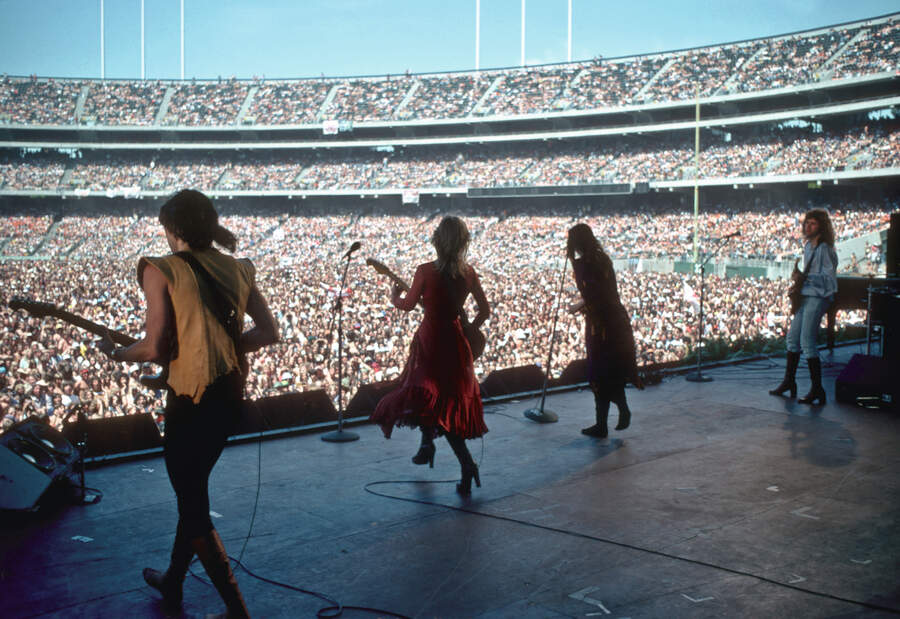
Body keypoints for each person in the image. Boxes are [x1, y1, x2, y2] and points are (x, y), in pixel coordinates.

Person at [97, 189, 279, 617]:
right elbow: (267, 332)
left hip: (190, 401)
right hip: (229, 394)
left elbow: (156, 346)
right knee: (192, 490)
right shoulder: (239, 268)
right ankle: (174, 580)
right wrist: (218, 349)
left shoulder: (162, 269)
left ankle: (237, 609)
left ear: (174, 230)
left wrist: (115, 351)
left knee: (192, 501)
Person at [370, 216, 490, 495]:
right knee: (445, 401)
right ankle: (433, 448)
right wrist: (470, 328)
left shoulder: (425, 271)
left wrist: (393, 298)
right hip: (456, 343)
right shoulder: (469, 273)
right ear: (462, 243)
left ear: (437, 241)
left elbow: (409, 305)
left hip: (430, 343)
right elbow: (485, 311)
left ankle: (452, 456)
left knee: (425, 394)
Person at [566, 223, 642, 438]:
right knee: (612, 370)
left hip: (601, 326)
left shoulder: (582, 265)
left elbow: (592, 295)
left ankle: (608, 420)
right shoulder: (603, 259)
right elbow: (603, 292)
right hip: (616, 320)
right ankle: (611, 417)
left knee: (599, 372)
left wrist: (576, 306)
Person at [770, 208, 838, 405]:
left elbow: (830, 281)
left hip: (818, 298)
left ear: (822, 227)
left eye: (813, 223)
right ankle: (789, 382)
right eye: (806, 223)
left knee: (807, 342)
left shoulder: (825, 249)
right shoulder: (808, 246)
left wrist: (805, 277)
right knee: (792, 339)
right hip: (806, 296)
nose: (808, 226)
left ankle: (817, 389)